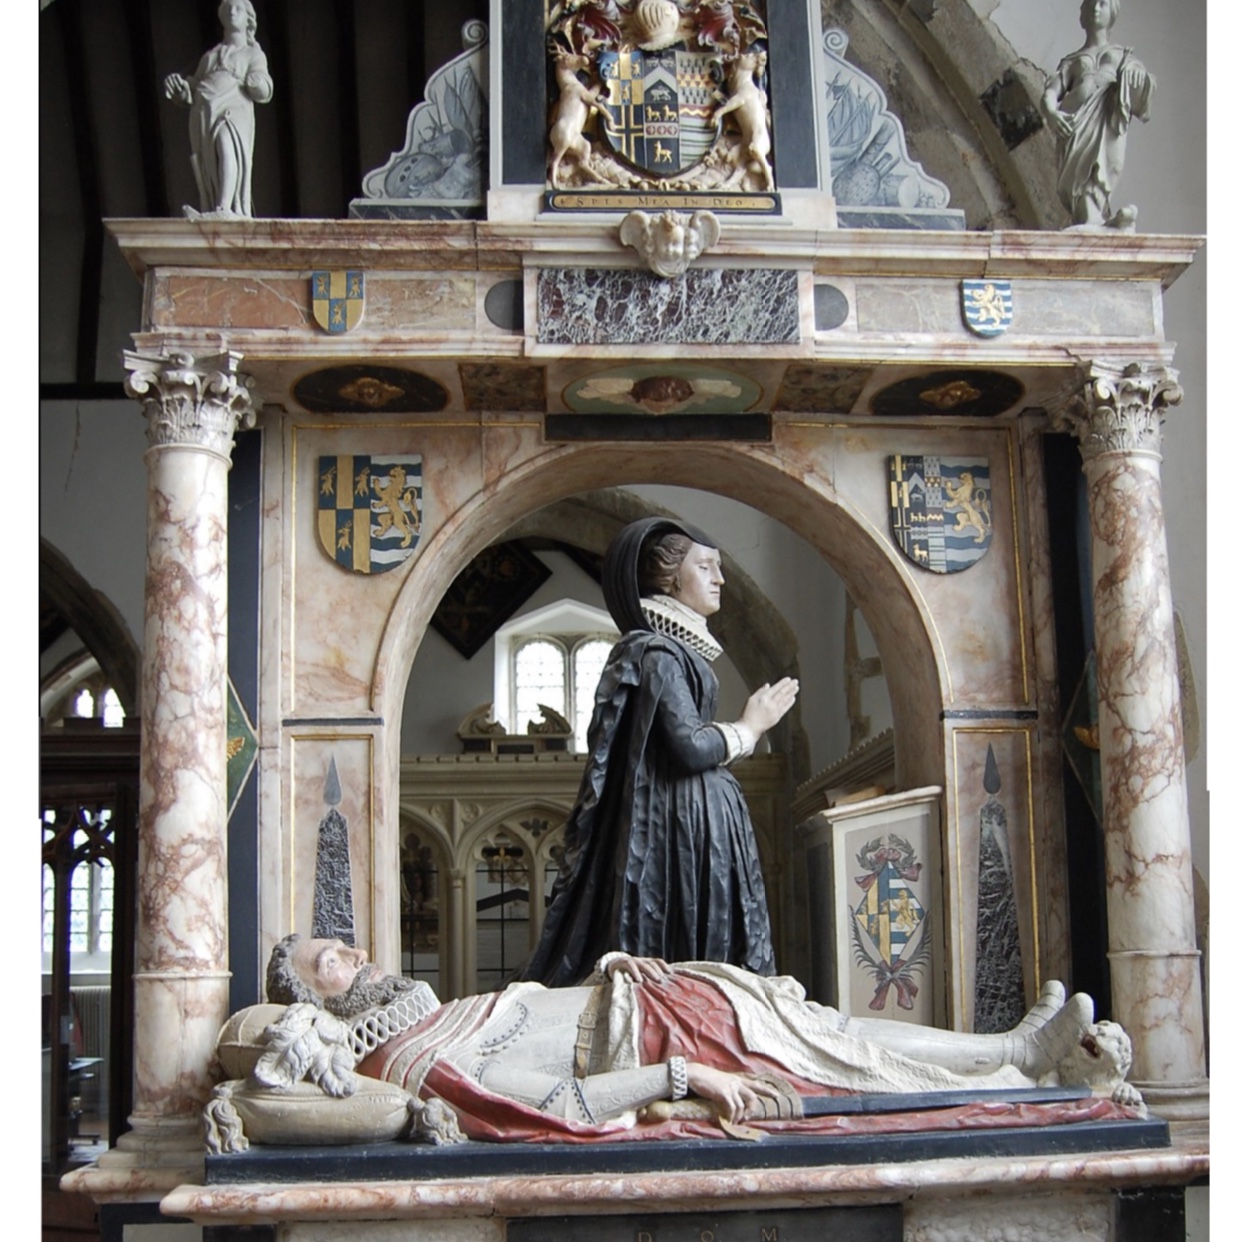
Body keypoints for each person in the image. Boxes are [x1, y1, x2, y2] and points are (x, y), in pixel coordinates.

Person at [260, 934, 1119, 1138]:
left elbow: (540, 1016)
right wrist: (680, 1079)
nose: (357, 951)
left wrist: (608, 968)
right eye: (330, 960)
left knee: (837, 1030)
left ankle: (1007, 1050)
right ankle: (1013, 1070)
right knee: (849, 1060)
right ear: (313, 1006)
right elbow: (558, 1105)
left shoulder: (426, 1017)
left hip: (660, 1000)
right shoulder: (410, 1059)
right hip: (667, 1041)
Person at [518, 517, 799, 987]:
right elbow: (688, 746)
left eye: (719, 568)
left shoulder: (671, 651)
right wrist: (749, 727)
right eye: (706, 566)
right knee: (687, 943)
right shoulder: (657, 653)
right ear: (669, 577)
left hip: (687, 820)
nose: (720, 579)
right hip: (675, 829)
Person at [1039, 0, 1154, 229]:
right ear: (1081, 14)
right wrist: (1051, 113)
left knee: (1107, 166)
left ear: (1113, 13)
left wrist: (1137, 77)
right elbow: (1050, 94)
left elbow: (1141, 86)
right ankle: (1092, 220)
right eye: (1090, 4)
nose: (1095, 8)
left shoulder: (1123, 56)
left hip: (1107, 121)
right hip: (1076, 125)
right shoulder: (1072, 61)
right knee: (1079, 177)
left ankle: (1098, 219)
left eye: (1102, 3)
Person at [164, 0, 273, 218]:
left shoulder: (253, 54)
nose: (233, 12)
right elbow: (192, 87)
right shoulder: (210, 56)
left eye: (238, 8)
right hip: (205, 111)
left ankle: (225, 206)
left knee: (227, 140)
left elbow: (265, 87)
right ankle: (213, 207)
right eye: (228, 9)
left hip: (235, 105)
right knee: (211, 162)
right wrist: (181, 89)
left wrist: (256, 83)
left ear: (248, 18)